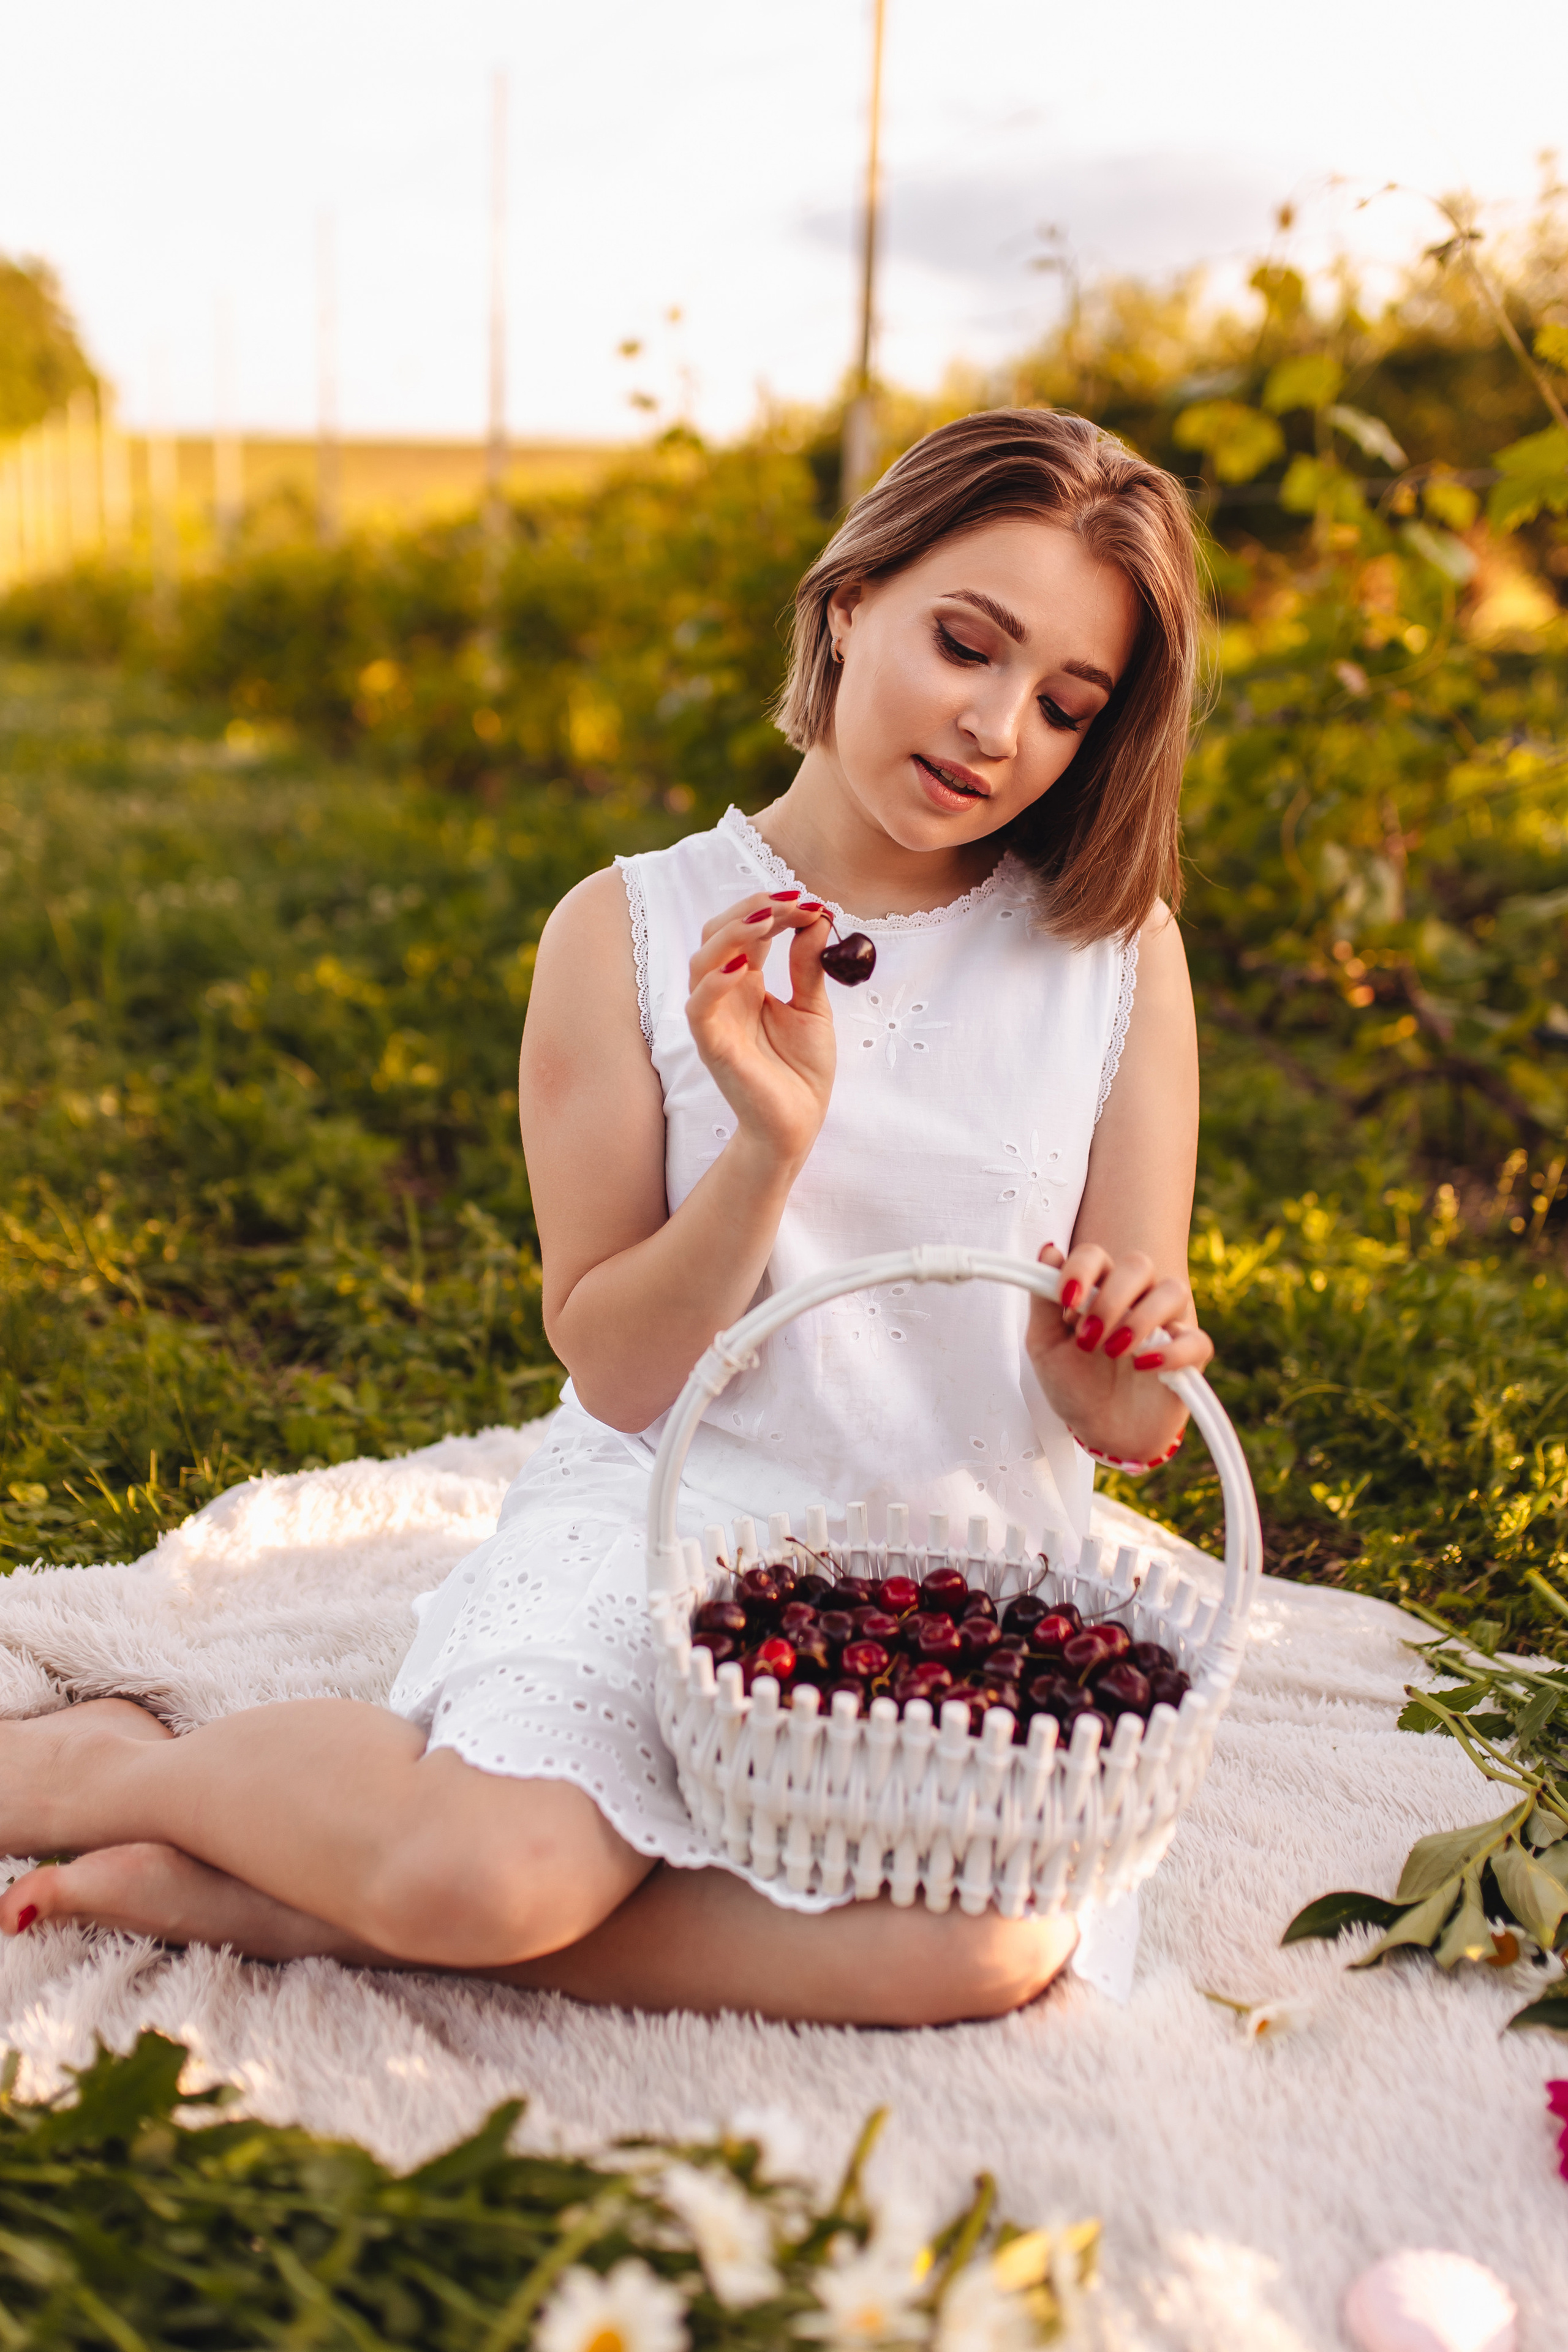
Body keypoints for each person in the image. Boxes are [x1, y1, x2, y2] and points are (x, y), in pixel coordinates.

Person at [0, 409, 1213, 2025]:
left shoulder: (1114, 955)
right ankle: (122, 1776)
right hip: (667, 1523)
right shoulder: (631, 928)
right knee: (490, 1878)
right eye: (966, 644)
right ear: (852, 601)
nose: (999, 728)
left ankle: (287, 1907)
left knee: (987, 1950)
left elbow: (1126, 1414)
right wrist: (768, 1148)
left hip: (948, 1588)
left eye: (1068, 704)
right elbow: (623, 1374)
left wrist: (1108, 1360)